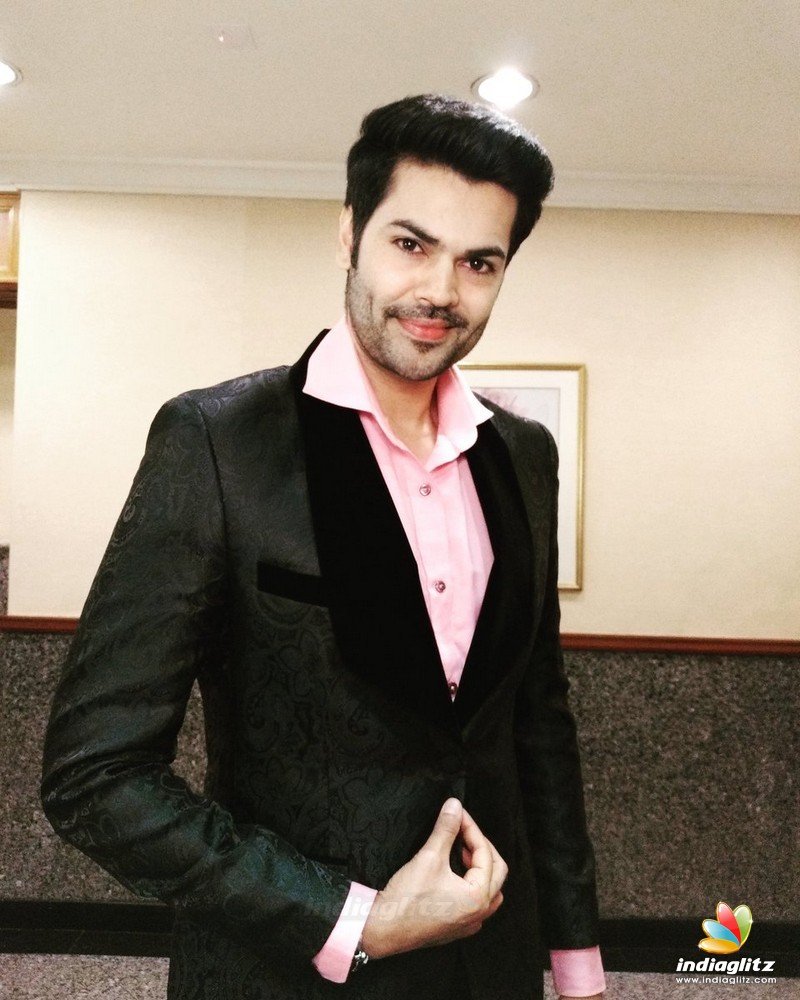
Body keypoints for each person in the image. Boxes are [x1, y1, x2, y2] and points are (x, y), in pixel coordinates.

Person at [41, 94, 605, 1000]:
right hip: (282, 973)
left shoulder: (524, 456)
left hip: (490, 971)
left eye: (479, 262)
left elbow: (537, 727)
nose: (441, 290)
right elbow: (95, 775)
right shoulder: (217, 441)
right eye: (411, 244)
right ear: (350, 232)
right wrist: (349, 918)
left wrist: (576, 962)